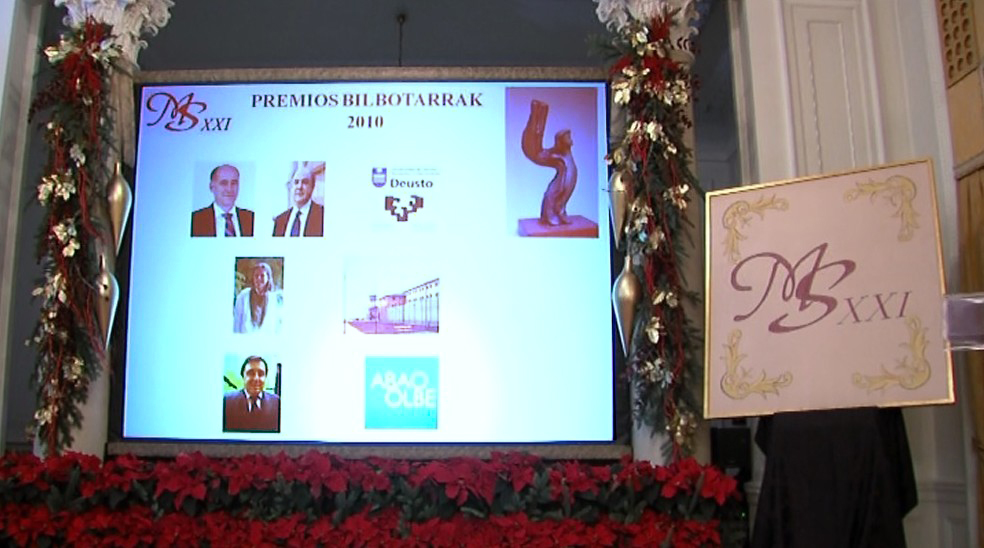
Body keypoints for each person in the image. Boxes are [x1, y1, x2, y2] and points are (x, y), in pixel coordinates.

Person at [521, 99, 578, 226]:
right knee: (553, 194)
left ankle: (560, 211)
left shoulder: (564, 157)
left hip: (565, 186)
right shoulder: (555, 156)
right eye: (567, 137)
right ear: (561, 141)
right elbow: (535, 152)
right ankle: (549, 215)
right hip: (557, 188)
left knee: (562, 194)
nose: (571, 140)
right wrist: (536, 118)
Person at [191, 164, 255, 237]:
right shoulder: (195, 220)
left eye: (234, 183)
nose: (229, 189)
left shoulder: (251, 218)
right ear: (211, 187)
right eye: (223, 183)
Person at [223, 355, 280, 432]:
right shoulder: (227, 402)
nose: (256, 378)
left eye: (261, 374)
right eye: (250, 373)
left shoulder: (277, 403)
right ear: (243, 376)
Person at [272, 162, 325, 237]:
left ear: (312, 187)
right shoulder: (279, 221)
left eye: (305, 182)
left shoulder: (322, 216)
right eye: (296, 182)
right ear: (290, 187)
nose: (299, 187)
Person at [233, 261, 283, 334]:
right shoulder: (243, 296)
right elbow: (236, 323)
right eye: (256, 276)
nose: (259, 278)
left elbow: (278, 327)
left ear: (268, 278)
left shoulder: (275, 299)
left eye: (262, 276)